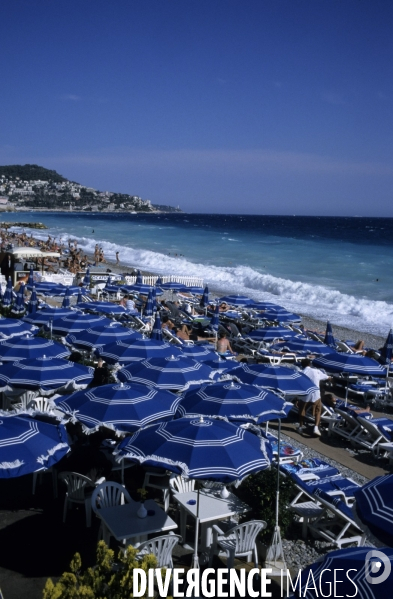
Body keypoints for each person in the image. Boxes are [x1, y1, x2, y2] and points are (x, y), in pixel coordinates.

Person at [297, 358, 330, 437]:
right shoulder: (316, 371)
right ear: (309, 364)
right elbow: (327, 377)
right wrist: (331, 379)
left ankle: (300, 427)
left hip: (305, 393)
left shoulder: (301, 373)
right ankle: (316, 428)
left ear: (302, 365)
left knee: (302, 410)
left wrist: (297, 398)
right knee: (318, 411)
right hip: (316, 393)